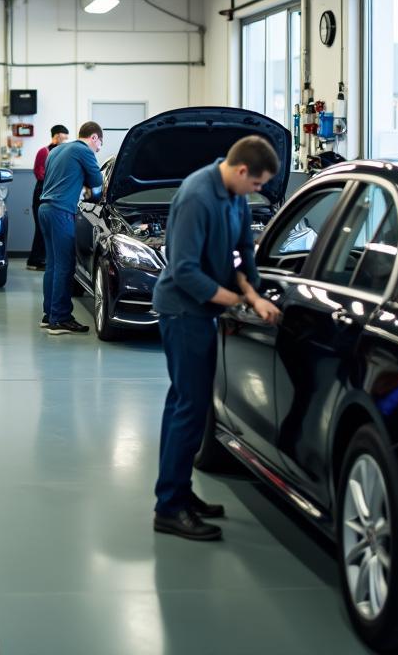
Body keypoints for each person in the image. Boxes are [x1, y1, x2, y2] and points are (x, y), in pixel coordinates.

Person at [151, 135, 281, 541]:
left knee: (189, 404)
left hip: (204, 309)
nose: (257, 192)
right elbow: (185, 269)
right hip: (183, 310)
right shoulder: (196, 197)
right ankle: (169, 507)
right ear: (242, 171)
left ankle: (180, 494)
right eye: (257, 184)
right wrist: (236, 302)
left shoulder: (235, 195)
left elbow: (244, 250)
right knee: (189, 407)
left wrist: (255, 294)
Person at [37, 121, 104, 334]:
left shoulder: (57, 150)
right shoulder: (83, 150)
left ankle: (49, 315)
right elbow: (97, 181)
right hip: (61, 211)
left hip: (45, 209)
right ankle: (60, 318)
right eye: (99, 145)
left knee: (53, 265)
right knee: (65, 265)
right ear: (94, 138)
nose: (97, 150)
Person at [26, 124, 69, 270]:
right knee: (40, 227)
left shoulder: (61, 152)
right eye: (64, 137)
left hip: (52, 194)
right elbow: (39, 174)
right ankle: (34, 261)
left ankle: (41, 259)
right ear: (57, 136)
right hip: (41, 193)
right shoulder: (43, 152)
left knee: (47, 228)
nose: (66, 140)